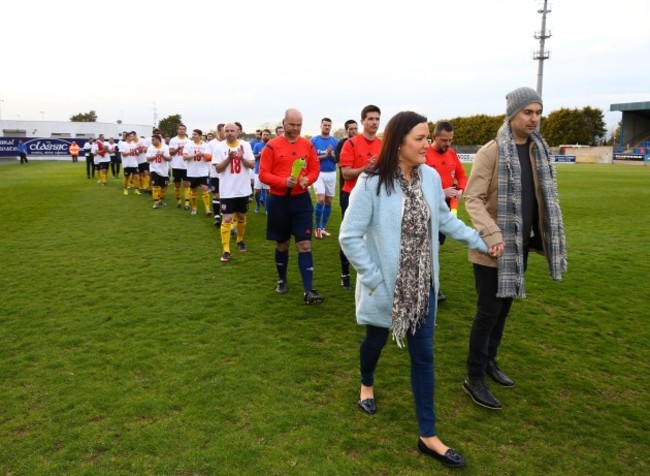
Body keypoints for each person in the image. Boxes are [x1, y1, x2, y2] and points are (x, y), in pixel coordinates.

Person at [339, 111, 488, 469]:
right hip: (386, 290)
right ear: (400, 140)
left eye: (427, 138)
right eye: (420, 138)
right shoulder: (372, 182)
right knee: (374, 342)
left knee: (423, 358)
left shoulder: (431, 177)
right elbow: (349, 236)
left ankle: (428, 435)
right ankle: (366, 384)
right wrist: (373, 279)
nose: (428, 144)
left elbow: (445, 218)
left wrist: (479, 239)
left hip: (423, 288)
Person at [462, 87, 568, 410]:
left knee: (504, 310)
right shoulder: (491, 151)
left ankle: (490, 361)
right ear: (512, 114)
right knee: (488, 312)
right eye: (528, 112)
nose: (534, 119)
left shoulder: (538, 150)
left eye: (538, 112)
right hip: (492, 249)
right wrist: (492, 234)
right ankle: (474, 376)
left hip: (519, 247)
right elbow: (472, 198)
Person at [259, 108, 323, 304]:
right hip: (278, 200)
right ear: (284, 123)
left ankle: (308, 290)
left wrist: (308, 180)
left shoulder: (307, 145)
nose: (295, 129)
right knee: (283, 244)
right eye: (292, 125)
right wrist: (282, 181)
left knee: (304, 244)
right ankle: (282, 279)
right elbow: (263, 174)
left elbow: (314, 169)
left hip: (301, 200)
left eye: (298, 125)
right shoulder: (271, 146)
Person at [338, 105, 382, 290]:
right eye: (370, 119)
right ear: (363, 120)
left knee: (374, 237)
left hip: (375, 197)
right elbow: (346, 174)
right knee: (350, 236)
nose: (374, 122)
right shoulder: (351, 144)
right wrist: (366, 167)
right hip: (351, 196)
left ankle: (369, 273)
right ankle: (345, 273)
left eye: (377, 119)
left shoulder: (382, 145)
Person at [424, 121, 468, 302]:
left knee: (435, 247)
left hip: (446, 211)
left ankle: (431, 284)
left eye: (450, 140)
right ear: (434, 137)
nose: (447, 144)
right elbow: (418, 186)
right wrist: (442, 193)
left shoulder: (451, 153)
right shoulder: (424, 154)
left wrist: (460, 190)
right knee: (428, 248)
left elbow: (461, 175)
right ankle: (432, 287)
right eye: (444, 140)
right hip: (427, 210)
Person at [212, 123, 256, 263]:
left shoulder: (245, 145)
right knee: (227, 219)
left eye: (232, 130)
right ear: (224, 132)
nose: (229, 133)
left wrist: (241, 158)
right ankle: (226, 250)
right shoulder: (219, 147)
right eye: (227, 131)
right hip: (227, 190)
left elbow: (252, 165)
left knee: (241, 216)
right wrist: (229, 158)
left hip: (242, 189)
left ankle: (240, 240)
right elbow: (218, 169)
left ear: (238, 132)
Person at [310, 117, 339, 239]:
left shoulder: (335, 141)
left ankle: (323, 227)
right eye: (325, 125)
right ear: (321, 126)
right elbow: (311, 159)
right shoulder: (314, 140)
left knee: (328, 202)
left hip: (331, 174)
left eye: (329, 125)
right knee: (320, 200)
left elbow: (338, 159)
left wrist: (332, 155)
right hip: (318, 173)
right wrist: (325, 155)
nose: (327, 127)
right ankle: (317, 228)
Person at [182, 129, 213, 216]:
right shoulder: (188, 144)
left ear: (200, 135)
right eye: (192, 134)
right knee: (194, 191)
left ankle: (207, 209)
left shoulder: (206, 145)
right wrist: (195, 155)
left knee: (205, 189)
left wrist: (203, 155)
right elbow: (184, 157)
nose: (193, 136)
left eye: (195, 134)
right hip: (192, 172)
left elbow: (209, 158)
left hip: (203, 171)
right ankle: (194, 207)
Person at [169, 124, 191, 209]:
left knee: (186, 184)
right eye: (180, 129)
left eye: (183, 129)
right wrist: (178, 149)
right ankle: (178, 201)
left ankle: (187, 203)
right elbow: (171, 153)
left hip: (186, 166)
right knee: (177, 184)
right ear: (177, 130)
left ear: (185, 131)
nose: (182, 130)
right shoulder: (173, 140)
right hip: (176, 165)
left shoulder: (189, 141)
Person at [146, 134, 171, 208]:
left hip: (164, 170)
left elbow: (169, 159)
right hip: (154, 169)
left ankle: (161, 200)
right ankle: (156, 202)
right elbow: (147, 159)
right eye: (152, 139)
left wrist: (162, 155)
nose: (152, 141)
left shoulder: (165, 147)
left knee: (163, 187)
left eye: (153, 139)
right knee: (155, 186)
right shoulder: (150, 147)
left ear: (158, 139)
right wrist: (155, 156)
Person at [334, 119, 358, 194]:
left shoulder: (362, 142)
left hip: (360, 179)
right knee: (345, 203)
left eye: (355, 128)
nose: (354, 131)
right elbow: (339, 163)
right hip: (345, 179)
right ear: (346, 130)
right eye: (351, 129)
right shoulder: (341, 143)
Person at [252, 129, 271, 214]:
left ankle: (267, 208)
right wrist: (259, 155)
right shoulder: (257, 145)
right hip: (258, 171)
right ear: (261, 135)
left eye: (267, 135)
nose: (265, 136)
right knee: (257, 191)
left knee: (268, 192)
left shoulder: (272, 145)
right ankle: (257, 204)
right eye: (264, 134)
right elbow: (253, 157)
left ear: (269, 136)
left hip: (269, 172)